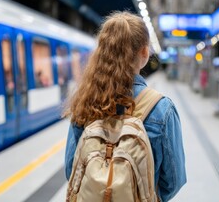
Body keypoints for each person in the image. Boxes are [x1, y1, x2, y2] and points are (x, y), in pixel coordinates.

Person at [64, 11, 186, 201]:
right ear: (145, 53)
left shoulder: (86, 101)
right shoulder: (162, 108)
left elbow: (71, 168)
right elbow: (173, 180)